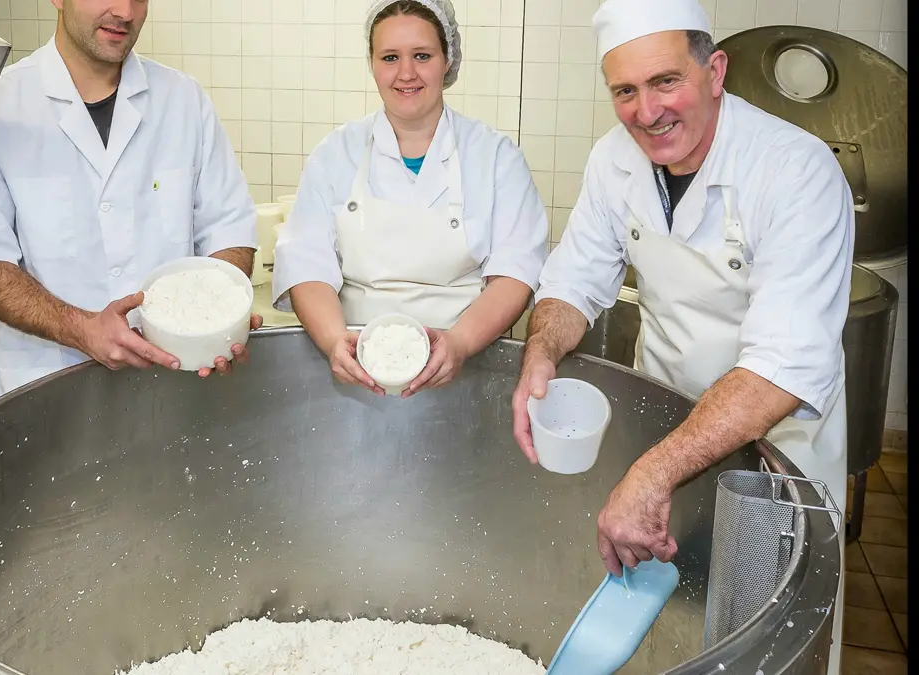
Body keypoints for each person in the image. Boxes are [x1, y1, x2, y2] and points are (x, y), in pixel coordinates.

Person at [509, 0, 850, 669]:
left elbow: (781, 369)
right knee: (672, 626)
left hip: (775, 457)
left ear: (715, 71)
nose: (647, 111)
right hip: (665, 426)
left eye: (666, 81)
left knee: (760, 640)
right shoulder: (614, 161)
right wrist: (540, 353)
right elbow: (572, 282)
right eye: (625, 92)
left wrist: (653, 472)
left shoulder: (796, 170)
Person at [0, 0, 261, 405]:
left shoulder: (184, 100)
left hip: (173, 386)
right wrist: (82, 329)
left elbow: (228, 227)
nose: (125, 12)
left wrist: (217, 318)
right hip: (43, 389)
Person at [272, 0, 548, 398]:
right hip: (355, 370)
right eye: (390, 57)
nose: (406, 73)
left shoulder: (495, 157)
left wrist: (459, 343)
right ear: (372, 64)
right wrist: (334, 342)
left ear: (447, 60)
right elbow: (306, 264)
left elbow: (515, 272)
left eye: (422, 55)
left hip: (467, 367)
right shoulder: (335, 154)